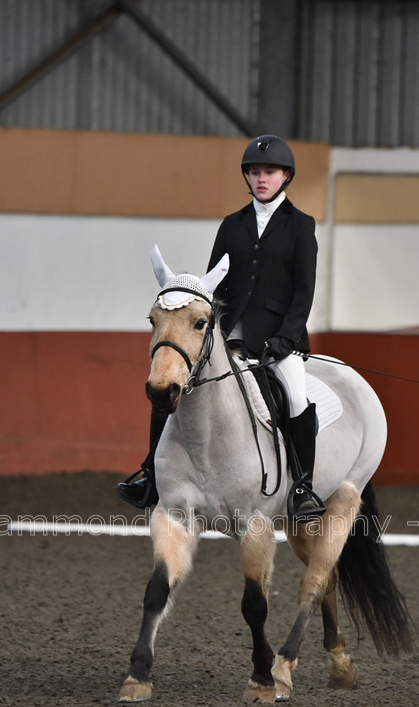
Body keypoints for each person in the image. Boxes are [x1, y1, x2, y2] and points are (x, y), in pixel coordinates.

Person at [116, 134, 325, 520]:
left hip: (281, 341)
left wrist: (285, 338)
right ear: (247, 177)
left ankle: (302, 488)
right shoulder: (232, 225)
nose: (261, 179)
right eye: (255, 172)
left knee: (295, 396)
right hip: (229, 335)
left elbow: (304, 292)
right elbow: (214, 283)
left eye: (270, 172)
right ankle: (150, 475)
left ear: (286, 177)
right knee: (174, 383)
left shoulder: (301, 226)